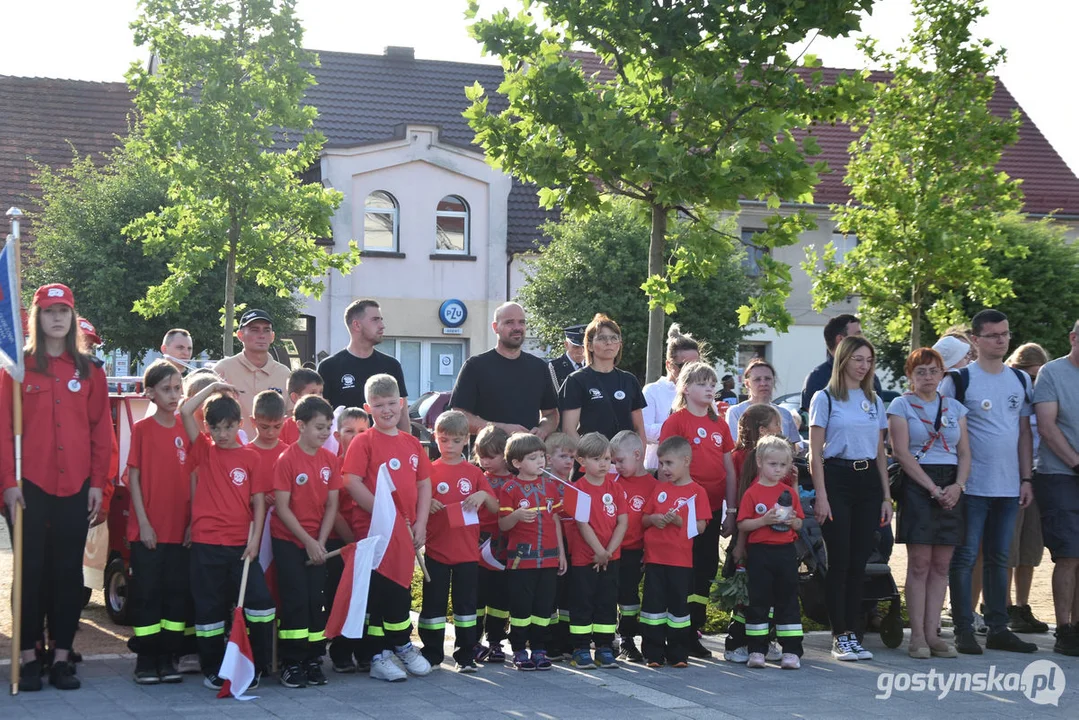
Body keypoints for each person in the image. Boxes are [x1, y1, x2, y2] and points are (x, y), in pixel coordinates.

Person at [1, 283, 111, 691]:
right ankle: (28, 655)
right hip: (28, 488)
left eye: (63, 310)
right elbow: (2, 430)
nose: (57, 317)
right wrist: (7, 484)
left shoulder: (89, 371)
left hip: (77, 488)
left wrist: (98, 483)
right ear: (36, 318)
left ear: (71, 316)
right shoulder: (15, 369)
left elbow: (103, 433)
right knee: (30, 573)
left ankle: (62, 656)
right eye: (49, 311)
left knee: (68, 575)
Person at [941, 309, 1037, 655]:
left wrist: (1026, 478)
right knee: (965, 557)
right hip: (970, 486)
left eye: (1005, 334)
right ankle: (963, 628)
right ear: (976, 341)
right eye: (994, 335)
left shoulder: (1020, 381)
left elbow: (1025, 433)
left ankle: (998, 627)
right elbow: (944, 429)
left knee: (1000, 558)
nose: (1001, 340)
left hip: (1009, 486)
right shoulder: (959, 380)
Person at [180, 380, 276, 690]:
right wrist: (213, 389)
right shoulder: (204, 450)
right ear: (207, 427)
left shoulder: (251, 458)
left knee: (260, 604)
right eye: (215, 427)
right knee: (209, 611)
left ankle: (257, 665)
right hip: (206, 544)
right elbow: (185, 410)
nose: (222, 434)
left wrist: (254, 540)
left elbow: (260, 502)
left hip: (241, 547)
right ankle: (213, 669)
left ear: (238, 424)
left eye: (228, 427)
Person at [341, 373, 433, 682]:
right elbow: (351, 482)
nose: (387, 410)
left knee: (399, 592)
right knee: (376, 595)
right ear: (368, 407)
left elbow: (424, 483)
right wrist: (384, 514)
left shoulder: (411, 443)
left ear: (403, 404)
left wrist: (421, 521)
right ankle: (376, 654)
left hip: (404, 536)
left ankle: (401, 645)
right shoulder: (362, 442)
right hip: (374, 533)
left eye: (392, 403)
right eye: (379, 405)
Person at [808, 335, 891, 662]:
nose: (864, 366)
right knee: (839, 562)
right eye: (858, 359)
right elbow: (815, 453)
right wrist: (822, 496)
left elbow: (881, 453)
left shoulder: (874, 399)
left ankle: (854, 634)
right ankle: (839, 633)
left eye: (869, 360)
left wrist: (886, 496)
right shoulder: (825, 398)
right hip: (837, 479)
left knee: (859, 563)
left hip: (868, 479)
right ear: (843, 360)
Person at [887, 347, 969, 660]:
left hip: (951, 485)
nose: (927, 377)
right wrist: (934, 489)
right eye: (920, 371)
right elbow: (902, 453)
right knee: (920, 563)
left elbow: (965, 453)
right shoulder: (900, 405)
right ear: (910, 375)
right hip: (920, 484)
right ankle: (917, 635)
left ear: (942, 373)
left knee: (942, 565)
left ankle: (934, 633)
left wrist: (958, 487)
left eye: (933, 370)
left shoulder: (955, 407)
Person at [659, 361, 736, 656]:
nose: (710, 389)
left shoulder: (719, 423)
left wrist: (730, 512)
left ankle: (694, 630)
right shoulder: (676, 421)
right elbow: (666, 468)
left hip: (712, 510)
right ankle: (674, 630)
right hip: (681, 508)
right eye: (703, 383)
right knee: (681, 569)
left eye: (712, 384)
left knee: (703, 569)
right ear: (686, 388)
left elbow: (728, 467)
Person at [125, 359, 192, 685]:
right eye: (166, 389)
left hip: (180, 531)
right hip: (149, 532)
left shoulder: (187, 429)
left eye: (178, 388)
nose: (174, 395)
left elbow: (194, 479)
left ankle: (169, 658)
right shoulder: (142, 430)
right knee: (148, 595)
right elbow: (133, 479)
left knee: (175, 596)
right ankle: (146, 659)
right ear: (150, 393)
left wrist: (192, 522)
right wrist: (144, 523)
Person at [270, 395, 341, 688]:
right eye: (319, 427)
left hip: (317, 542)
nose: (325, 433)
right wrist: (308, 542)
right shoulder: (287, 460)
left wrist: (321, 542)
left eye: (328, 428)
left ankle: (313, 658)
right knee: (295, 600)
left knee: (316, 601)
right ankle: (291, 661)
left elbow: (331, 505)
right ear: (300, 425)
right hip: (289, 540)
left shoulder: (330, 460)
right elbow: (282, 509)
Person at [419, 410, 497, 672]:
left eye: (454, 440)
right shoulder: (427, 471)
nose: (448, 446)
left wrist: (482, 497)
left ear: (466, 439)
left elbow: (495, 506)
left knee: (466, 607)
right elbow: (412, 501)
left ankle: (465, 655)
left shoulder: (474, 473)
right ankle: (431, 653)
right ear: (434, 438)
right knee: (434, 605)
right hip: (437, 550)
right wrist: (426, 501)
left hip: (467, 553)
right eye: (443, 440)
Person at [724, 403, 797, 664]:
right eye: (778, 425)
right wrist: (740, 544)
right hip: (752, 539)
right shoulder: (744, 458)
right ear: (765, 431)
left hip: (779, 544)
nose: (783, 430)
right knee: (748, 595)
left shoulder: (780, 464)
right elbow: (745, 503)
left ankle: (766, 643)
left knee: (775, 595)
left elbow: (792, 506)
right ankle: (738, 642)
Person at [498, 432, 567, 671]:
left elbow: (556, 519)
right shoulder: (510, 488)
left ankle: (539, 648)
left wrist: (561, 553)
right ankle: (518, 648)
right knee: (521, 607)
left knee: (543, 607)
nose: (541, 462)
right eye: (533, 458)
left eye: (542, 457)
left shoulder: (551, 486)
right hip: (521, 562)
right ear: (517, 463)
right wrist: (516, 516)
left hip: (548, 558)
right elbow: (503, 525)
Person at [640, 436, 710, 668]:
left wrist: (680, 521)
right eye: (661, 463)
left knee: (679, 609)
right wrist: (655, 519)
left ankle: (678, 653)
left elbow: (701, 527)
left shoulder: (697, 492)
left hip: (680, 561)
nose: (664, 468)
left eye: (669, 463)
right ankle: (653, 653)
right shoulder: (660, 489)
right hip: (654, 559)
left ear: (686, 461)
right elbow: (644, 519)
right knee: (653, 607)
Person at [737, 435, 805, 670]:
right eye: (772, 464)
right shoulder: (752, 493)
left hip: (785, 552)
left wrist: (793, 521)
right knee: (759, 601)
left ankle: (792, 651)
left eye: (783, 465)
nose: (778, 470)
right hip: (760, 552)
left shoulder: (790, 492)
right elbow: (743, 524)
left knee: (787, 599)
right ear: (759, 462)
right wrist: (764, 520)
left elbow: (799, 524)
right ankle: (757, 649)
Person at [1032, 319, 1079, 656]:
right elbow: (1047, 427)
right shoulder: (1051, 373)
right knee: (1068, 555)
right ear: (1073, 337)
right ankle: (1064, 630)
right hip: (1060, 474)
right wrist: (1077, 463)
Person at [450, 302, 559, 439]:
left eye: (521, 322)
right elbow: (459, 417)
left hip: (528, 456)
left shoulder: (539, 367)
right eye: (509, 323)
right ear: (495, 327)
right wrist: (500, 429)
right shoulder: (475, 367)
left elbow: (551, 414)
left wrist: (543, 429)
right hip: (488, 456)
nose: (517, 327)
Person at [565, 433, 627, 670]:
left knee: (606, 602)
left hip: (611, 557)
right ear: (581, 461)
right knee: (583, 602)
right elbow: (582, 524)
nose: (603, 464)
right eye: (596, 459)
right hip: (585, 558)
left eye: (607, 459)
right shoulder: (577, 489)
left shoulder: (616, 488)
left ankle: (603, 647)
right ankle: (580, 648)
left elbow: (622, 522)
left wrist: (608, 551)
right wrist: (599, 551)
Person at [1005, 343, 1051, 634]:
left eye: (1037, 377)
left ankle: (1022, 605)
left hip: (1038, 475)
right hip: (1010, 475)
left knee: (1030, 549)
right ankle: (1004, 605)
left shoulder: (1045, 397)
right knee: (1008, 547)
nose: (1033, 383)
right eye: (1029, 376)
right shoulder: (1010, 394)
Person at [318, 299, 410, 431]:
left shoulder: (391, 365)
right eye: (375, 320)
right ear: (357, 325)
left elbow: (402, 415)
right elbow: (322, 418)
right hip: (345, 449)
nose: (382, 325)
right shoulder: (329, 367)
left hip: (383, 448)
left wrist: (406, 448)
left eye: (381, 319)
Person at [324, 407, 368, 674]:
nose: (355, 437)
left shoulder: (374, 462)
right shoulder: (331, 464)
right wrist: (353, 540)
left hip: (366, 542)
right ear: (338, 435)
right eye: (349, 431)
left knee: (365, 598)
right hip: (340, 543)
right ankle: (340, 651)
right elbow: (333, 510)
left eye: (362, 431)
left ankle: (364, 651)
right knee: (339, 597)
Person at [560, 313, 646, 445]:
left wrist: (638, 462)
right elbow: (569, 431)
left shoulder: (629, 380)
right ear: (589, 346)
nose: (609, 342)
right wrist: (590, 458)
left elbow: (639, 430)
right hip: (590, 460)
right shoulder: (576, 380)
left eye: (614, 338)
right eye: (601, 338)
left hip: (624, 462)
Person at [609, 431, 656, 663]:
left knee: (629, 597)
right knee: (608, 594)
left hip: (635, 552)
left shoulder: (654, 486)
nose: (616, 466)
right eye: (613, 461)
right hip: (610, 550)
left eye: (620, 461)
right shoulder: (611, 483)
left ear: (637, 455)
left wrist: (648, 552)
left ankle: (627, 638)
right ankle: (607, 639)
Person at [212, 309, 291, 439]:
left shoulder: (284, 373)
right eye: (254, 330)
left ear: (272, 336)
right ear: (240, 335)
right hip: (233, 451)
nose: (261, 335)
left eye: (266, 330)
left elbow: (290, 417)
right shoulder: (223, 369)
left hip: (274, 453)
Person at [473, 425, 513, 663]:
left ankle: (496, 641)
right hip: (479, 543)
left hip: (504, 545)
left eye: (491, 456)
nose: (485, 461)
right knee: (476, 595)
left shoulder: (515, 481)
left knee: (500, 597)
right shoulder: (478, 478)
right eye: (481, 456)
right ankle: (474, 641)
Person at [641, 324, 701, 470]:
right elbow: (645, 431)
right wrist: (683, 426)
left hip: (695, 468)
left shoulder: (703, 391)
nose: (692, 372)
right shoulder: (652, 391)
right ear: (669, 365)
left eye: (697, 366)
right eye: (685, 366)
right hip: (659, 469)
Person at [800, 314, 883, 414]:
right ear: (840, 340)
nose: (862, 339)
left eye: (869, 360)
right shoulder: (817, 378)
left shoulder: (870, 377)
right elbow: (816, 419)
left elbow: (879, 419)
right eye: (857, 335)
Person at [546, 431, 578, 661]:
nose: (568, 461)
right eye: (563, 456)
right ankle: (550, 642)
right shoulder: (545, 486)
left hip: (573, 546)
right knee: (551, 595)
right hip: (551, 546)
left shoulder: (574, 485)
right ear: (548, 459)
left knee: (569, 595)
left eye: (572, 457)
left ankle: (567, 641)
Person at [725, 358, 802, 446]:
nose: (763, 383)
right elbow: (735, 447)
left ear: (774, 381)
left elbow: (792, 448)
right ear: (747, 384)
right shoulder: (736, 412)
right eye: (757, 379)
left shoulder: (785, 414)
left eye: (767, 378)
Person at [280, 368, 325, 445]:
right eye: (313, 393)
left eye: (320, 392)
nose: (319, 397)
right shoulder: (285, 428)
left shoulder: (329, 424)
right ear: (295, 397)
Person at [548, 324, 587, 391]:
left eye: (584, 347)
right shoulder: (554, 367)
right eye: (576, 347)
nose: (581, 351)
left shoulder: (593, 364)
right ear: (566, 345)